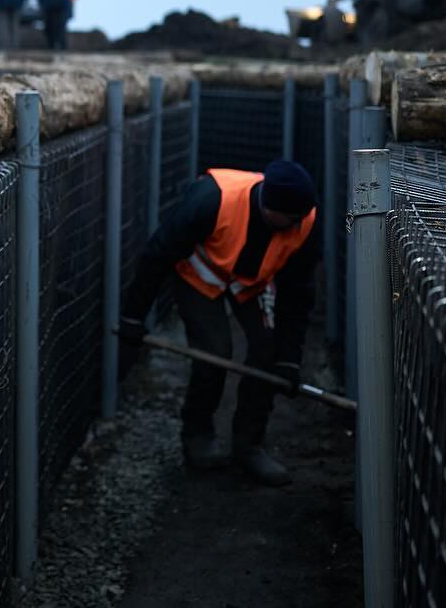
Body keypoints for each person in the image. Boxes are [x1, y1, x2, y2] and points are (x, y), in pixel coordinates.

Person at [117, 161, 320, 486]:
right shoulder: (213, 199)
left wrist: (289, 359)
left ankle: (249, 445)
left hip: (251, 282)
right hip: (200, 275)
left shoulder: (304, 219)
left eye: (301, 218)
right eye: (291, 220)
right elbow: (158, 253)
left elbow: (298, 294)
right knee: (214, 352)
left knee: (267, 353)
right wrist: (132, 316)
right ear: (270, 207)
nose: (298, 226)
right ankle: (197, 434)